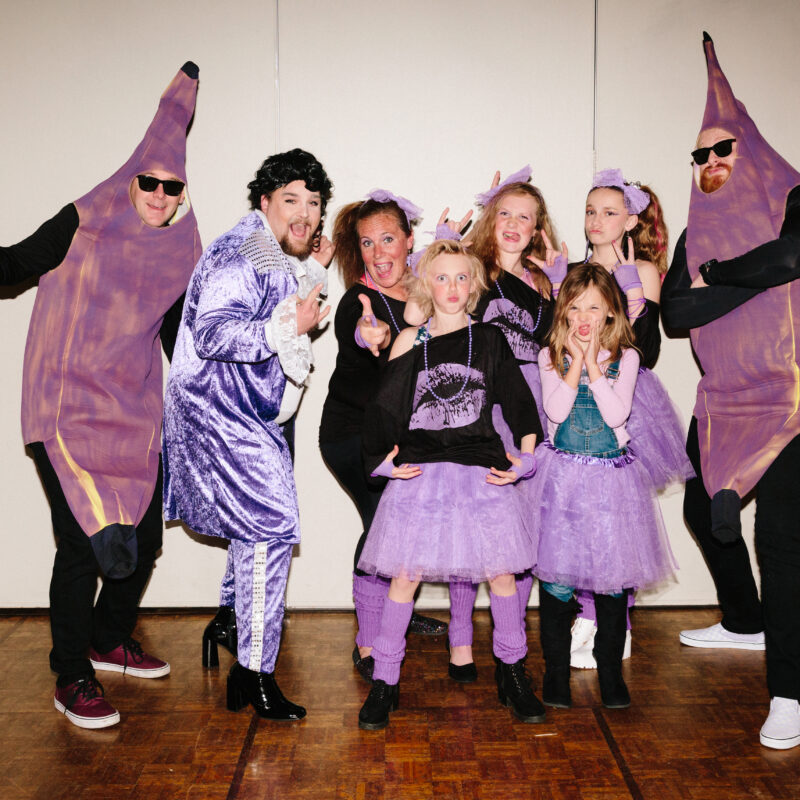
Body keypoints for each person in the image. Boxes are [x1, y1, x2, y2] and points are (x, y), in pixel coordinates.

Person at [0, 63, 201, 729]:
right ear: (131, 176)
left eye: (171, 187)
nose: (158, 195)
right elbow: (15, 264)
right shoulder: (83, 219)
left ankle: (108, 639)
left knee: (143, 537)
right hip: (63, 408)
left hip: (131, 414)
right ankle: (71, 674)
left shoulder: (178, 251)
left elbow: (180, 336)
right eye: (149, 181)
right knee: (84, 545)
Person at [661, 33, 800, 750]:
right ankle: (746, 622)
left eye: (724, 150)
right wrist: (743, 279)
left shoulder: (795, 197)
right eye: (701, 155)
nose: (711, 164)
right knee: (698, 504)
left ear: (750, 147)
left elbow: (794, 255)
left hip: (793, 400)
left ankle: (790, 692)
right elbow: (674, 314)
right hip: (725, 400)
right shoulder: (695, 232)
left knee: (781, 540)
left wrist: (716, 277)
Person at [162, 149, 332, 721]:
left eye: (313, 203)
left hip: (252, 412)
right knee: (271, 528)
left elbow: (285, 302)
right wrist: (290, 324)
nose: (304, 214)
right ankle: (253, 674)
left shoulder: (273, 249)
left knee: (252, 529)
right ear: (264, 201)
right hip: (221, 412)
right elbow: (211, 333)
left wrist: (312, 275)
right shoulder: (240, 253)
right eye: (291, 201)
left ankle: (231, 621)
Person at [357, 240, 545, 730]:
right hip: (422, 475)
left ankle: (513, 673)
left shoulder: (489, 340)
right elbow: (383, 410)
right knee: (404, 577)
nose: (452, 288)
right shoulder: (411, 342)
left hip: (480, 470)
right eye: (441, 277)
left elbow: (520, 404)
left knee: (502, 575)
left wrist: (525, 459)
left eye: (462, 278)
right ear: (425, 284)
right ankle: (385, 681)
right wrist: (381, 462)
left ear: (475, 285)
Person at [525, 263, 676, 710]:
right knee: (557, 582)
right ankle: (555, 674)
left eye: (595, 306)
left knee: (612, 585)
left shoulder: (626, 358)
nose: (585, 315)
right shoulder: (548, 356)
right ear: (564, 312)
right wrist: (573, 366)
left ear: (611, 311)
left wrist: (592, 363)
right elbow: (554, 410)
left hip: (611, 482)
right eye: (575, 307)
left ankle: (610, 673)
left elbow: (615, 416)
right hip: (563, 482)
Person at [319, 191, 450, 685]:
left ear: (408, 241)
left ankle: (397, 604)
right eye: (367, 243)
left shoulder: (417, 293)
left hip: (394, 439)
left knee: (402, 528)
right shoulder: (361, 300)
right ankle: (368, 639)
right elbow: (357, 329)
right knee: (381, 528)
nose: (378, 252)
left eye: (388, 239)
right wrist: (365, 336)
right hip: (351, 438)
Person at [436, 167, 560, 683]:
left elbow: (556, 345)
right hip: (483, 406)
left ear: (537, 228)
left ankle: (512, 652)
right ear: (491, 219)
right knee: (475, 529)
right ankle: (460, 639)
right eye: (504, 212)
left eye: (525, 217)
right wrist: (444, 252)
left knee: (522, 534)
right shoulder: (475, 269)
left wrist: (557, 284)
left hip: (535, 407)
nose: (513, 223)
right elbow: (436, 312)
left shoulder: (545, 278)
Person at [570, 171, 692, 669]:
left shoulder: (644, 269)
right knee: (576, 514)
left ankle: (617, 619)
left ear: (631, 220)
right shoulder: (572, 269)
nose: (597, 221)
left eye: (609, 212)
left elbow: (652, 348)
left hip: (629, 398)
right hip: (577, 402)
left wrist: (632, 298)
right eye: (591, 210)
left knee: (620, 516)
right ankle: (585, 613)